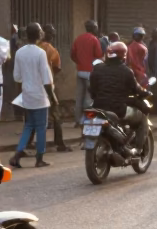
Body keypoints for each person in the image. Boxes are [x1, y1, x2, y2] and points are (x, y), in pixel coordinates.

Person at [8, 23, 55, 169]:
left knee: (28, 126)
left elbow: (17, 77)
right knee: (41, 127)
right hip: (40, 95)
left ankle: (18, 154)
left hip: (27, 94)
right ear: (39, 34)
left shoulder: (20, 52)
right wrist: (53, 97)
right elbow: (47, 79)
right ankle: (39, 158)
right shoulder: (40, 53)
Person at [89, 40, 146, 151]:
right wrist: (144, 92)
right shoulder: (126, 71)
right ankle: (138, 149)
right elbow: (136, 89)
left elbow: (92, 89)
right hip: (118, 109)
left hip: (98, 106)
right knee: (142, 118)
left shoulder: (97, 69)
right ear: (123, 55)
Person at [36, 23, 70, 152]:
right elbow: (57, 69)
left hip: (35, 86)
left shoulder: (36, 47)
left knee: (34, 117)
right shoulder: (52, 50)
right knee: (56, 115)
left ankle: (26, 144)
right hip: (48, 86)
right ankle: (60, 144)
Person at [70, 19, 102, 121]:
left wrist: (79, 62)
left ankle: (77, 120)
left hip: (80, 71)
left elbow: (72, 54)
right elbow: (98, 55)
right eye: (96, 27)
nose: (97, 28)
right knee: (89, 98)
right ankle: (87, 121)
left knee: (79, 97)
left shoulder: (78, 39)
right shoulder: (94, 39)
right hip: (90, 72)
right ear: (93, 28)